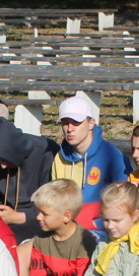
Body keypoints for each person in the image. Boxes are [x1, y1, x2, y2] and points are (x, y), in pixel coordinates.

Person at [51, 94, 129, 232]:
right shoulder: (59, 158)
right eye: (65, 122)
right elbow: (56, 201)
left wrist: (95, 224)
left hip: (102, 231)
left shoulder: (112, 155)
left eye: (76, 122)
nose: (69, 129)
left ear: (91, 123)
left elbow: (125, 202)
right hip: (66, 229)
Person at [0, 116, 59, 242]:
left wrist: (18, 217)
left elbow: (52, 203)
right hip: (4, 217)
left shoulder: (46, 152)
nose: (2, 166)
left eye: (4, 159)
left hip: (37, 218)